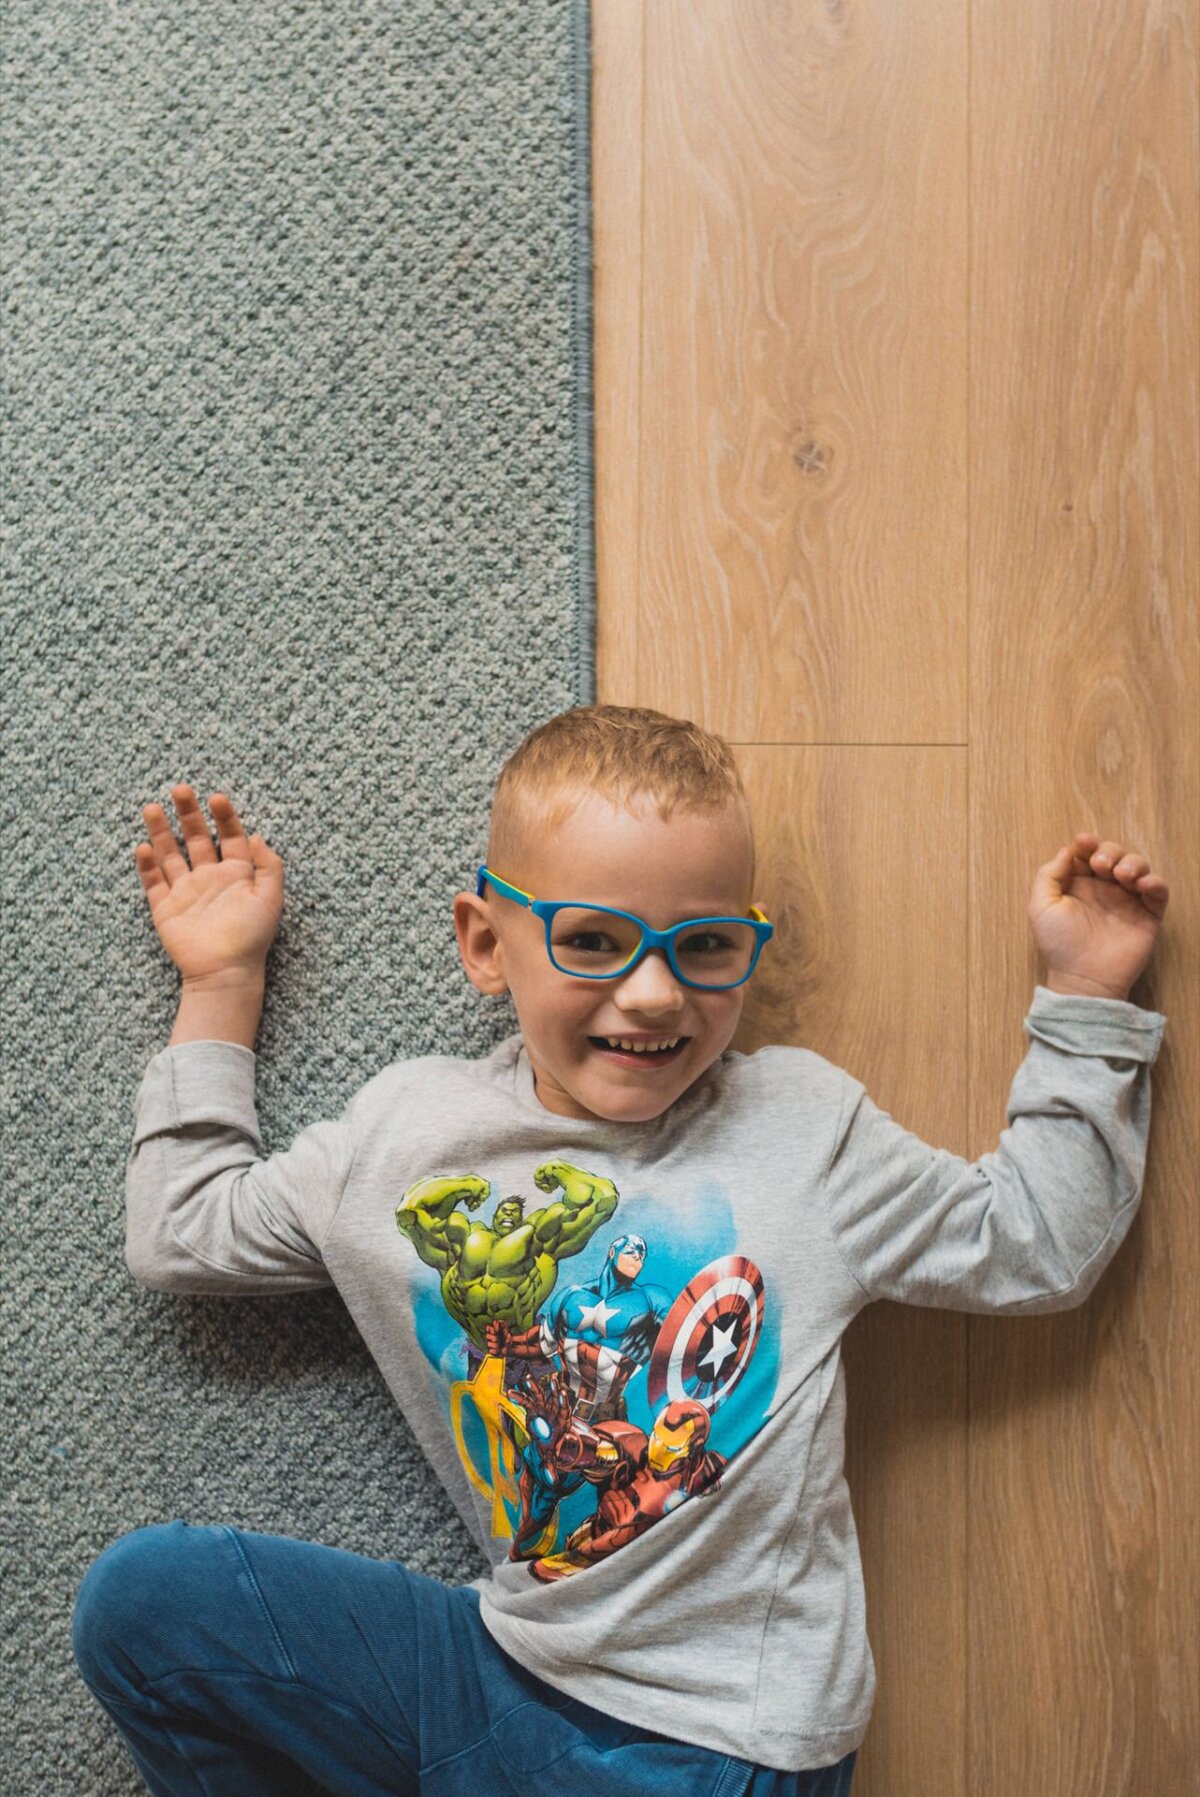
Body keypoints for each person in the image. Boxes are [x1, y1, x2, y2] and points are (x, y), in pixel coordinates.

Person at [70, 704, 1170, 1797]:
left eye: (705, 947)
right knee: (144, 1607)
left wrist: (1084, 1000)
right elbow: (184, 1232)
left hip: (712, 1739)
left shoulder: (803, 1129)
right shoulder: (404, 1136)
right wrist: (222, 987)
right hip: (507, 1663)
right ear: (487, 945)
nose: (653, 992)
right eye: (592, 940)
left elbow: (1034, 1245)